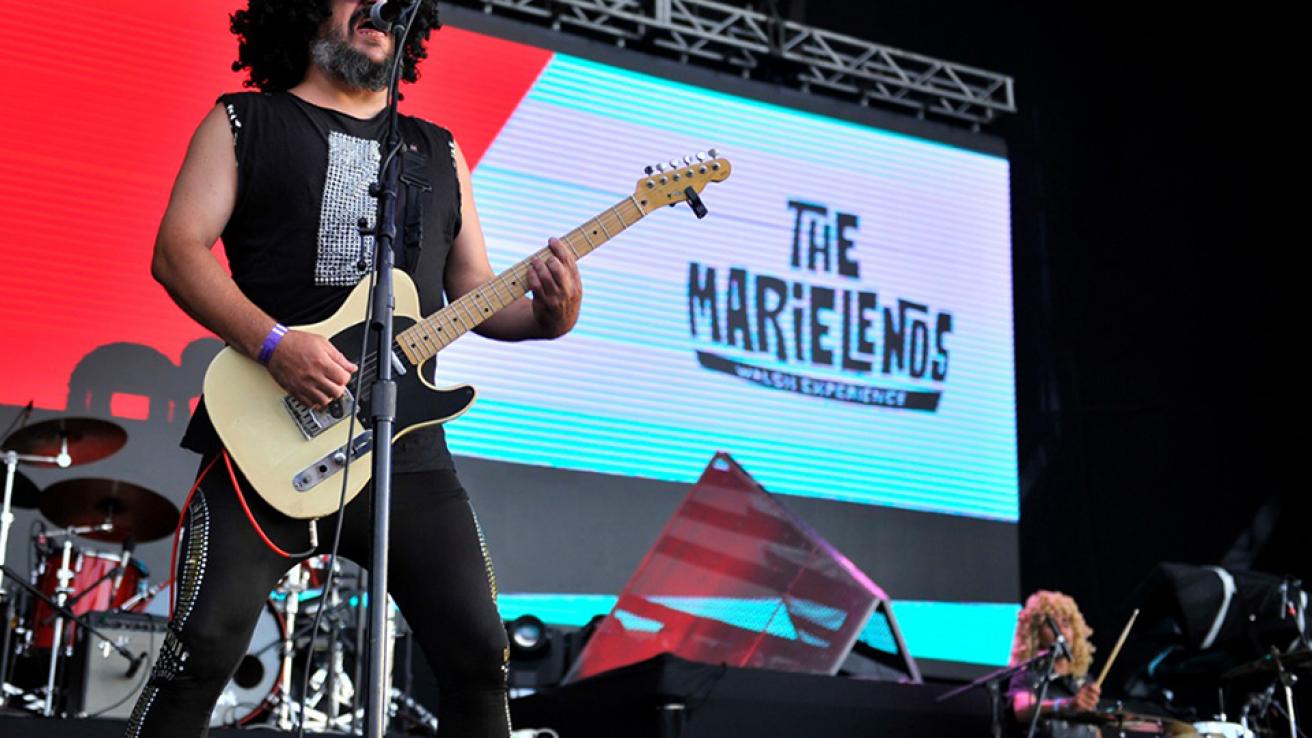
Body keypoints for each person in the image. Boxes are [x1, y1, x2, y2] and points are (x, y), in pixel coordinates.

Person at [125, 1, 582, 736]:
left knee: (480, 655)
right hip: (265, 437)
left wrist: (548, 319)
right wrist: (275, 346)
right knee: (199, 652)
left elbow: (473, 293)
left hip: (406, 450)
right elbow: (177, 251)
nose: (379, 6)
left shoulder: (439, 151)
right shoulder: (243, 120)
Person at [1007, 590, 1101, 738]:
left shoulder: (1084, 681)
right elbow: (1022, 710)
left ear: (1075, 631)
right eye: (1051, 625)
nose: (1061, 631)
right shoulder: (1027, 674)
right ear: (1035, 633)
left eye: (1066, 623)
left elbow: (1094, 731)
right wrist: (1066, 705)